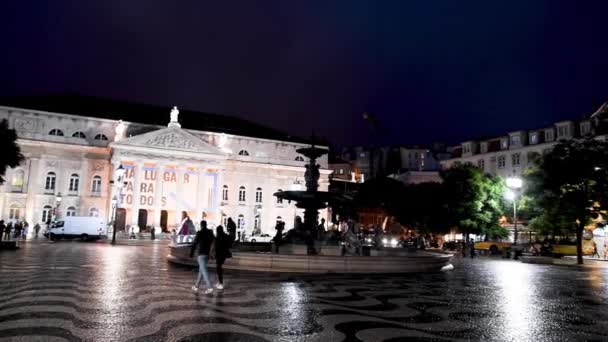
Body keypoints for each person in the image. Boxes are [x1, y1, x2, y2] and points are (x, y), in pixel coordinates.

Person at [190, 220, 215, 294]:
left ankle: (210, 287)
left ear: (201, 225)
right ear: (206, 225)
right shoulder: (210, 232)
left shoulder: (199, 233)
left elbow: (194, 243)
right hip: (207, 254)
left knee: (204, 271)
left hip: (201, 254)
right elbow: (214, 241)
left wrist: (191, 253)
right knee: (201, 271)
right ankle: (196, 286)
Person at [213, 225, 231, 290]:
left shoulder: (219, 237)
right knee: (219, 268)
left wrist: (215, 254)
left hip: (220, 254)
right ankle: (220, 282)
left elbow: (217, 247)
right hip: (223, 254)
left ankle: (221, 283)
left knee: (219, 268)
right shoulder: (224, 236)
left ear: (218, 230)